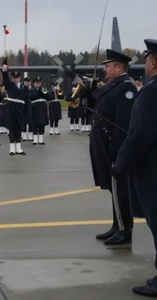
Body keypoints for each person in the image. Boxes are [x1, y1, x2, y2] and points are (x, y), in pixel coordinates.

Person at [112, 39, 157, 297]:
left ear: (152, 62)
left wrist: (122, 163)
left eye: (148, 59)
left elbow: (139, 133)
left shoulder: (151, 91)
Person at [87, 49, 137, 246]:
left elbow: (123, 123)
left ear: (118, 67)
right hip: (104, 144)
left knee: (120, 189)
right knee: (113, 189)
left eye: (108, 66)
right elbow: (93, 104)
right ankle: (117, 226)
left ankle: (125, 230)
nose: (105, 70)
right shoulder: (113, 85)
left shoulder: (126, 88)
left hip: (114, 147)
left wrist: (117, 149)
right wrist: (88, 91)